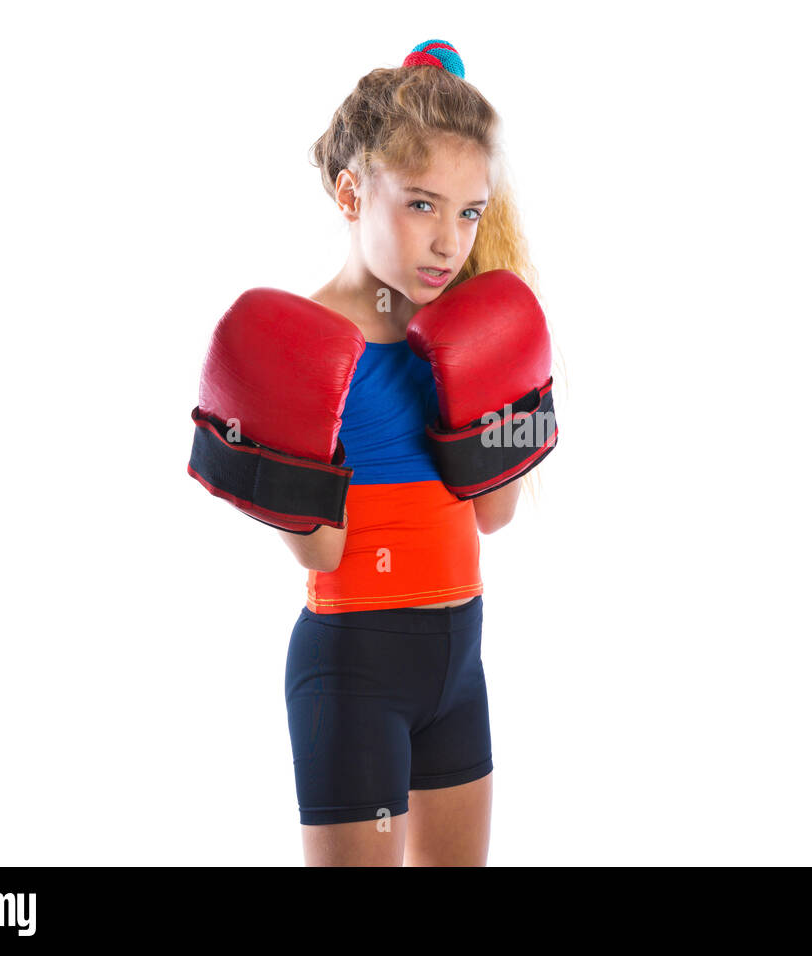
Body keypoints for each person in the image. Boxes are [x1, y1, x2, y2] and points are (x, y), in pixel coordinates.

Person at [275, 40, 556, 866]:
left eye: (468, 212)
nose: (448, 241)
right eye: (422, 204)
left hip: (458, 664)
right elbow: (325, 549)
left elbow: (494, 515)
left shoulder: (465, 334)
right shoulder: (307, 347)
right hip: (354, 669)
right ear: (352, 189)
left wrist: (509, 390)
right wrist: (283, 465)